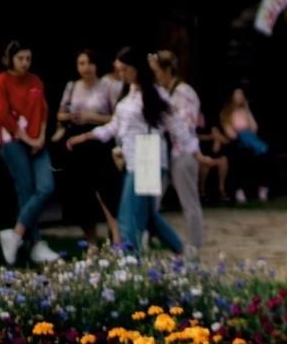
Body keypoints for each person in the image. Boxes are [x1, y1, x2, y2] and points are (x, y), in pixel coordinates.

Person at [68, 45, 184, 255]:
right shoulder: (129, 93)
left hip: (147, 155)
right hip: (135, 157)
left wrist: (191, 150)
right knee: (148, 215)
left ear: (136, 68)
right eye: (119, 70)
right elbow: (115, 125)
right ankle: (180, 249)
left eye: (124, 69)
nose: (121, 74)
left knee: (128, 215)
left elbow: (175, 123)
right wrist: (87, 136)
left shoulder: (154, 93)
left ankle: (131, 260)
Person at [0, 40, 63, 265]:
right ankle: (37, 244)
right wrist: (27, 138)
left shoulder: (35, 81)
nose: (25, 63)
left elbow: (43, 111)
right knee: (26, 188)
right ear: (10, 59)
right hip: (13, 142)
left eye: (28, 59)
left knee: (46, 187)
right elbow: (3, 116)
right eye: (21, 58)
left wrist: (40, 137)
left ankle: (15, 236)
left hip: (36, 142)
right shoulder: (1, 81)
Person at [54, 48, 122, 245]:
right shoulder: (72, 86)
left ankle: (116, 236)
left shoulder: (107, 85)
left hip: (100, 139)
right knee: (81, 192)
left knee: (106, 189)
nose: (86, 68)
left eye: (89, 63)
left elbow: (117, 117)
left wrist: (93, 117)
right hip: (77, 141)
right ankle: (91, 240)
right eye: (81, 63)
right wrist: (70, 116)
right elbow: (60, 113)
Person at [150, 51, 207, 252]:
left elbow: (185, 124)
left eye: (157, 71)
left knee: (189, 203)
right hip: (164, 154)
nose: (154, 76)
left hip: (182, 153)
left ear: (167, 70)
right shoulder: (162, 92)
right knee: (151, 201)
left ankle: (194, 245)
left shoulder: (184, 92)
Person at [217, 89, 271, 203]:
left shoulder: (245, 111)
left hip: (250, 139)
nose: (240, 97)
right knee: (240, 156)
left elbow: (254, 128)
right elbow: (230, 133)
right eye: (237, 94)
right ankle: (239, 190)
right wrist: (240, 133)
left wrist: (247, 110)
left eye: (241, 94)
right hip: (236, 141)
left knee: (264, 154)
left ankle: (263, 188)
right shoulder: (226, 113)